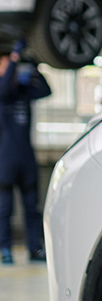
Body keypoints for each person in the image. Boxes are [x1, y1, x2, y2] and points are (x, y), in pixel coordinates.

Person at [0, 46, 51, 265]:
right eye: (5, 64)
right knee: (4, 207)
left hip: (26, 157)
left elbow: (46, 91)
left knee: (32, 206)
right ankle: (5, 248)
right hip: (6, 158)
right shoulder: (3, 93)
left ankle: (34, 248)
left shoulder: (24, 91)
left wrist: (34, 68)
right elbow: (4, 88)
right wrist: (13, 60)